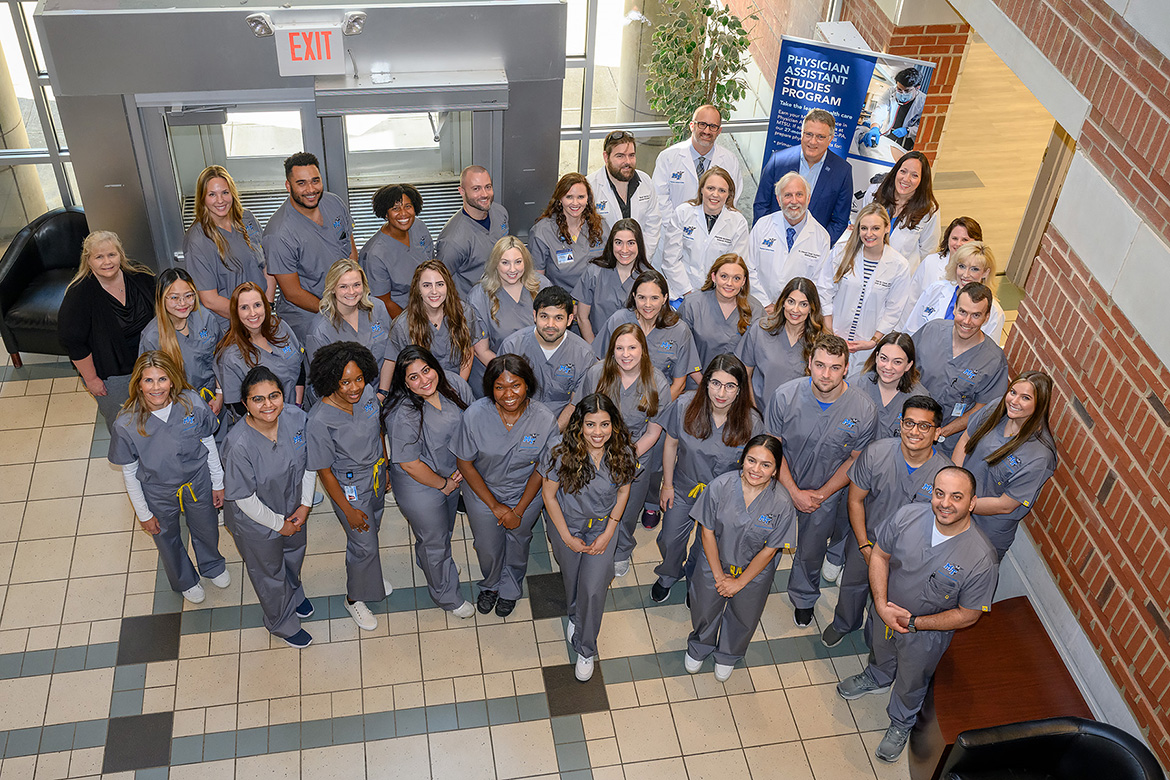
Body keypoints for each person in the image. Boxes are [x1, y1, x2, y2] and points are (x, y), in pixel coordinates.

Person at [836, 466, 998, 764]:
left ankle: (901, 722)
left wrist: (913, 623)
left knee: (912, 680)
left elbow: (968, 615)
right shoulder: (908, 516)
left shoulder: (981, 558)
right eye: (939, 493)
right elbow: (880, 556)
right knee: (880, 651)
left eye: (957, 497)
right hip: (885, 611)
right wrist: (882, 605)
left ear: (972, 503)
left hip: (925, 635)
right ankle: (877, 676)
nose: (945, 503)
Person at [822, 395, 952, 649]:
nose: (914, 431)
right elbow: (855, 501)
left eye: (924, 426)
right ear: (900, 423)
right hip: (867, 539)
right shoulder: (877, 453)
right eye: (909, 423)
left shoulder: (945, 474)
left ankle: (875, 639)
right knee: (852, 585)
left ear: (936, 433)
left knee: (892, 602)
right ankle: (844, 623)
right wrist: (863, 546)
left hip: (909, 557)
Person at [765, 334, 877, 626]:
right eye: (820, 365)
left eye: (835, 367)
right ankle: (754, 588)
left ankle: (803, 597)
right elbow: (772, 448)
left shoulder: (863, 409)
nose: (826, 374)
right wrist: (792, 491)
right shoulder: (785, 396)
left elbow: (855, 459)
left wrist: (821, 494)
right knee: (766, 541)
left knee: (811, 551)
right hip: (780, 485)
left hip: (825, 496)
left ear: (847, 368)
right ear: (809, 364)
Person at [108, 351, 226, 604]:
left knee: (206, 527)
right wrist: (143, 513)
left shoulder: (191, 403)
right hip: (158, 492)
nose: (156, 387)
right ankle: (185, 579)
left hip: (198, 481)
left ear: (172, 380)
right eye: (148, 380)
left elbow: (208, 442)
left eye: (162, 379)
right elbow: (129, 472)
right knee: (166, 537)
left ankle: (212, 565)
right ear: (138, 383)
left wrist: (218, 482)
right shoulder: (126, 423)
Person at [539, 393, 636, 681]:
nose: (598, 432)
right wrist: (567, 537)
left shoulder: (623, 452)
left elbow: (623, 491)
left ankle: (585, 647)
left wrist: (610, 532)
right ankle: (575, 615)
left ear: (613, 425)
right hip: (567, 524)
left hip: (602, 527)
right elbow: (549, 495)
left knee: (594, 587)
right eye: (590, 424)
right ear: (578, 424)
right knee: (572, 578)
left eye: (605, 424)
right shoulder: (558, 450)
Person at [684, 434, 796, 681]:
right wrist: (718, 575)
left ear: (776, 470)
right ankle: (700, 645)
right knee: (705, 606)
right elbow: (708, 531)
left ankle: (728, 654)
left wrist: (740, 582)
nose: (756, 469)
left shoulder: (782, 504)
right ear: (742, 460)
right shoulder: (720, 487)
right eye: (751, 460)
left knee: (745, 615)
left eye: (766, 465)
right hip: (714, 562)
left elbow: (770, 550)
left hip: (753, 573)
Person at [454, 355, 558, 617]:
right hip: (483, 494)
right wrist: (496, 506)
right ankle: (490, 584)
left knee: (518, 541)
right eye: (500, 387)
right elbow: (465, 463)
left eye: (516, 386)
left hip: (526, 494)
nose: (508, 394)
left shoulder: (544, 419)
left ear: (527, 386)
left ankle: (511, 588)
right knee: (487, 545)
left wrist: (519, 510)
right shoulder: (475, 416)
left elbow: (542, 468)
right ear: (490, 388)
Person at [653, 354, 762, 602]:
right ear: (706, 382)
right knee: (670, 539)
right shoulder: (684, 405)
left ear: (739, 389)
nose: (721, 392)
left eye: (730, 385)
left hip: (723, 499)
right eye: (715, 383)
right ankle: (669, 574)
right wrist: (667, 485)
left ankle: (695, 578)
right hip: (683, 487)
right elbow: (670, 444)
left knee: (707, 547)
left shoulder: (752, 422)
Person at [221, 366, 316, 648]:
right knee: (269, 572)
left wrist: (305, 504)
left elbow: (309, 464)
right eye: (258, 399)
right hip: (256, 521)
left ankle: (293, 594)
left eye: (273, 396)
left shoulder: (297, 419)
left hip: (294, 507)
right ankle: (281, 622)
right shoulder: (238, 444)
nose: (268, 405)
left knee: (293, 556)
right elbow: (244, 498)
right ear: (245, 404)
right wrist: (280, 524)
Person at [570, 324, 670, 576]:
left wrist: (624, 457)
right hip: (595, 449)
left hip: (635, 453)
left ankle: (622, 550)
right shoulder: (597, 374)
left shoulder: (657, 382)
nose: (626, 354)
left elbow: (653, 432)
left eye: (632, 347)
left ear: (643, 350)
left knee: (627, 509)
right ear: (612, 350)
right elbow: (580, 414)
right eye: (620, 348)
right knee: (596, 500)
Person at [384, 346, 477, 617]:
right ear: (404, 383)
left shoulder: (454, 384)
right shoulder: (404, 413)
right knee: (435, 540)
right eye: (413, 377)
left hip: (449, 476)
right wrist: (444, 484)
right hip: (421, 486)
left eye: (426, 370)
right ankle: (447, 596)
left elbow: (472, 421)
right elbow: (410, 463)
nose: (424, 380)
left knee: (440, 533)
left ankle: (431, 562)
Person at [307, 342, 392, 630]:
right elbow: (325, 471)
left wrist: (386, 465)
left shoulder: (367, 394)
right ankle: (355, 598)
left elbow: (377, 428)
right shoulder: (319, 420)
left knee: (372, 532)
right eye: (345, 382)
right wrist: (347, 509)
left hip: (377, 474)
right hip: (350, 487)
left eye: (358, 378)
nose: (354, 387)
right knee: (363, 542)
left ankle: (369, 578)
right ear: (331, 380)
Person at [953, 371, 1058, 559]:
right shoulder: (996, 409)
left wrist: (958, 504)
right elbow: (965, 439)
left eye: (1025, 398)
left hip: (984, 533)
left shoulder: (1040, 456)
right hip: (956, 509)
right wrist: (953, 485)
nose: (1014, 401)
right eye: (1013, 392)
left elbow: (1005, 505)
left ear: (1040, 405)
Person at [59, 231, 155, 431]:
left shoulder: (141, 277)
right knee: (123, 424)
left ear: (120, 254)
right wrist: (91, 379)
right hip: (114, 376)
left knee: (157, 418)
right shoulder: (79, 294)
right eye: (99, 257)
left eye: (111, 254)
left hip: (152, 366)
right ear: (89, 260)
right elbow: (73, 342)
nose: (107, 262)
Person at [263, 152, 358, 342]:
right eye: (301, 183)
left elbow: (351, 252)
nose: (311, 189)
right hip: (308, 311)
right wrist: (336, 309)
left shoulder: (334, 203)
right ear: (288, 186)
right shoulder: (279, 234)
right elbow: (293, 293)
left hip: (345, 298)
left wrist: (350, 294)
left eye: (315, 181)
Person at [912, 282, 1010, 458]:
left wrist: (941, 432)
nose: (967, 321)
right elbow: (905, 367)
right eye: (963, 312)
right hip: (907, 426)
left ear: (987, 317)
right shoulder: (932, 331)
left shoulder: (993, 361)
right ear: (955, 308)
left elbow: (983, 409)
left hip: (945, 444)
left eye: (976, 315)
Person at [819, 202, 911, 367]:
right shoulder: (840, 253)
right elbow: (824, 292)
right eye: (864, 228)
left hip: (869, 347)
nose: (869, 234)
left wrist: (873, 341)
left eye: (875, 228)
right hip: (834, 337)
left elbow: (894, 309)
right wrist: (830, 332)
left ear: (887, 228)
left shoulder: (899, 265)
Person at [592, 270, 700, 400]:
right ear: (634, 296)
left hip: (659, 402)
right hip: (616, 400)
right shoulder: (618, 320)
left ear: (665, 298)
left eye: (654, 298)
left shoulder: (679, 330)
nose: (647, 305)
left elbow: (679, 384)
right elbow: (597, 364)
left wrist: (656, 411)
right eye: (642, 297)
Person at [499, 286, 597, 427]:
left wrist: (550, 434)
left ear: (570, 319)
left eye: (558, 318)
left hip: (562, 430)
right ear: (534, 315)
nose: (550, 325)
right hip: (518, 425)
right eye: (544, 317)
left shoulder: (584, 355)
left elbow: (575, 405)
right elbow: (503, 396)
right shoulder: (512, 347)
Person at [184, 165, 274, 319]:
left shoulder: (247, 219)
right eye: (212, 194)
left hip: (262, 314)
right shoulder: (198, 240)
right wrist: (248, 317)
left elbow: (268, 266)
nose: (220, 200)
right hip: (232, 322)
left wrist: (268, 305)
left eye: (225, 192)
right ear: (202, 198)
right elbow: (210, 299)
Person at [755, 109, 853, 244]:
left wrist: (818, 247)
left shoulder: (842, 171)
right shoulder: (778, 161)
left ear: (830, 139)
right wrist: (767, 238)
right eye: (808, 134)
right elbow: (761, 204)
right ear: (802, 133)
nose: (812, 142)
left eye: (820, 137)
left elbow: (839, 221)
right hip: (773, 242)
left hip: (812, 251)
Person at [139, 268, 224, 421]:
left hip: (214, 400)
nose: (182, 303)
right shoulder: (152, 337)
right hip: (178, 407)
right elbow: (151, 383)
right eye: (174, 298)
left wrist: (219, 393)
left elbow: (221, 357)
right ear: (161, 299)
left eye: (188, 296)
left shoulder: (205, 318)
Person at [386, 259, 490, 383]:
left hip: (458, 384)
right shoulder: (403, 326)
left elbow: (467, 353)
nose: (434, 291)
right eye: (426, 285)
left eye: (440, 284)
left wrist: (459, 388)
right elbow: (400, 368)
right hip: (421, 388)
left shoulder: (464, 313)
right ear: (418, 289)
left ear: (448, 286)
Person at [214, 282, 305, 420]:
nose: (253, 313)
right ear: (235, 312)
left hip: (294, 414)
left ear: (265, 306)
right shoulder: (230, 356)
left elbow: (299, 365)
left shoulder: (280, 327)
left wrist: (296, 408)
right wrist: (268, 422)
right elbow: (239, 406)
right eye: (244, 307)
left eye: (257, 305)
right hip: (261, 423)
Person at [305, 259, 394, 395]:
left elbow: (390, 352)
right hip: (344, 400)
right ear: (332, 288)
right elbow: (325, 381)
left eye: (356, 285)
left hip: (384, 391)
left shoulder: (378, 309)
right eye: (343, 286)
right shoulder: (320, 330)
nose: (351, 292)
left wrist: (382, 393)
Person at [660, 167, 750, 298]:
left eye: (722, 190)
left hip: (718, 294)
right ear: (701, 189)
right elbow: (671, 259)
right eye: (710, 188)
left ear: (729, 194)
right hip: (680, 292)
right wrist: (688, 292)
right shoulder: (683, 212)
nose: (715, 194)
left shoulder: (738, 222)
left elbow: (735, 267)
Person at [746, 173, 831, 308]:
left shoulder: (821, 237)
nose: (794, 201)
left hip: (796, 313)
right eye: (787, 195)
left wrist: (792, 307)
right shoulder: (762, 226)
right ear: (779, 200)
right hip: (759, 306)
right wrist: (766, 304)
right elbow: (748, 267)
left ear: (808, 199)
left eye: (799, 194)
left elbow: (818, 282)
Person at [737, 276, 824, 404]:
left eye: (803, 304)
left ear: (812, 308)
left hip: (795, 416)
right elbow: (745, 372)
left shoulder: (819, 341)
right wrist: (752, 410)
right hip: (758, 410)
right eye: (791, 301)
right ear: (783, 302)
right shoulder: (761, 329)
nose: (795, 309)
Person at [678, 253, 762, 384]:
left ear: (744, 281)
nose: (729, 283)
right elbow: (682, 349)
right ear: (713, 276)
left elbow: (756, 357)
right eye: (724, 276)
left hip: (735, 389)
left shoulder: (756, 310)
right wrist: (705, 386)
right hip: (696, 384)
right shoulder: (692, 304)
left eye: (736, 278)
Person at [468, 236, 551, 359]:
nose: (512, 269)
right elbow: (481, 351)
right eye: (505, 262)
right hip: (498, 368)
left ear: (525, 262)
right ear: (495, 264)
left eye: (518, 262)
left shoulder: (541, 285)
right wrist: (511, 374)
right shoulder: (479, 297)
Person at [359, 183, 435, 319]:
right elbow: (384, 302)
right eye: (395, 208)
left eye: (408, 206)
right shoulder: (374, 254)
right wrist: (410, 326)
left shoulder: (419, 227)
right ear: (386, 214)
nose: (403, 213)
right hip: (402, 317)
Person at [904, 241, 1006, 342]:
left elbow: (988, 352)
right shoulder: (936, 290)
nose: (965, 275)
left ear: (985, 273)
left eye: (974, 269)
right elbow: (911, 329)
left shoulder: (994, 312)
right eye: (962, 266)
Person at [652, 105, 744, 215]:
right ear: (692, 125)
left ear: (719, 131)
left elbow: (732, 199)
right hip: (674, 228)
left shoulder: (730, 161)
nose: (707, 131)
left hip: (713, 228)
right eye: (702, 124)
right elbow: (659, 198)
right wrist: (675, 227)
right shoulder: (667, 157)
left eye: (713, 126)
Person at [573, 219, 655, 343]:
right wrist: (595, 352)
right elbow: (582, 317)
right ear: (611, 244)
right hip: (600, 349)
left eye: (631, 243)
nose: (624, 250)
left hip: (637, 351)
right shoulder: (594, 273)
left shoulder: (650, 278)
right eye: (618, 242)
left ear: (639, 244)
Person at [435, 165, 509, 298]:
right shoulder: (452, 241)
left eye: (488, 187)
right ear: (462, 191)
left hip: (502, 293)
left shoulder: (500, 212)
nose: (485, 194)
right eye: (476, 189)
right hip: (472, 305)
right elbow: (440, 281)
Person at [860, 151, 941, 271]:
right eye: (903, 171)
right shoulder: (875, 193)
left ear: (922, 180)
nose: (906, 179)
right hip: (864, 265)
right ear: (895, 171)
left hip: (900, 276)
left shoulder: (928, 210)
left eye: (914, 175)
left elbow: (928, 251)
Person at [586, 130, 663, 256]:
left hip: (639, 261)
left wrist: (641, 259)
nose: (627, 161)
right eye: (620, 156)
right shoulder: (590, 186)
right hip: (603, 263)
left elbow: (653, 225)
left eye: (631, 155)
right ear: (606, 157)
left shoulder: (645, 181)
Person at [528, 173, 605, 293]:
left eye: (581, 197)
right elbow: (537, 281)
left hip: (595, 300)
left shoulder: (600, 226)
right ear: (559, 199)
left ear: (588, 199)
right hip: (560, 304)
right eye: (569, 197)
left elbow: (610, 266)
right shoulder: (543, 232)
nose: (575, 203)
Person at [901, 216, 982, 325]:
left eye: (965, 240)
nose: (958, 244)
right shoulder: (930, 262)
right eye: (954, 238)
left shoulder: (979, 270)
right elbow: (912, 299)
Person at [856, 332, 930, 439]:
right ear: (876, 357)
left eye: (897, 362)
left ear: (908, 365)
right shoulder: (857, 385)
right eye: (884, 358)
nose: (888, 367)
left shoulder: (920, 398)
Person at [858, 67, 927, 152]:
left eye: (907, 91)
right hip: (888, 134)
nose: (902, 93)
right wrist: (875, 128)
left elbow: (924, 126)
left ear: (917, 88)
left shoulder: (924, 101)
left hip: (906, 140)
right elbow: (880, 109)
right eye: (899, 89)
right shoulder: (891, 91)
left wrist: (908, 130)